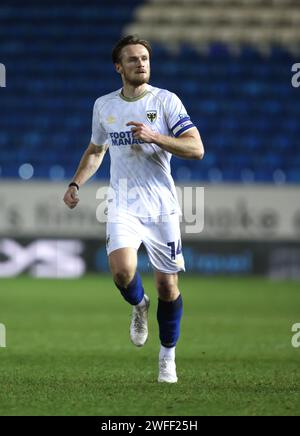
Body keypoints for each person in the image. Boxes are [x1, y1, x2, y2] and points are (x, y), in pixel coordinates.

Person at [63, 35, 204, 383]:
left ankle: (167, 358)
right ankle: (138, 307)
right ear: (118, 67)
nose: (141, 63)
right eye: (132, 59)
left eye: (144, 58)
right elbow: (97, 150)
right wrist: (75, 183)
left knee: (168, 288)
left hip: (161, 206)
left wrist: (156, 137)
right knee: (123, 273)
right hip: (122, 201)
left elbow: (196, 148)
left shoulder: (166, 101)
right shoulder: (104, 106)